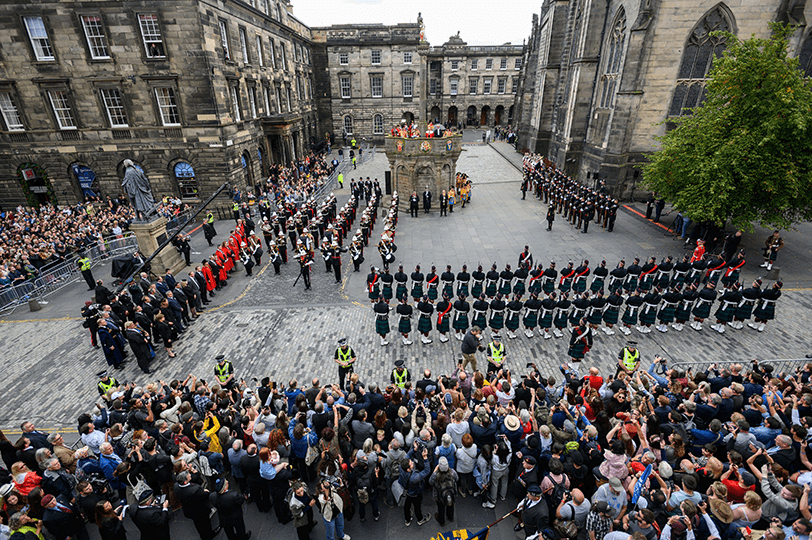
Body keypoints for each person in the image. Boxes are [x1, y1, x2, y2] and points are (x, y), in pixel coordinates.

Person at [174, 470, 220, 540]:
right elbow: (205, 495)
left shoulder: (176, 486)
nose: (190, 475)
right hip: (200, 511)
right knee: (205, 523)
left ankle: (203, 535)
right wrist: (204, 491)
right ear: (185, 482)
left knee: (198, 525)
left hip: (189, 510)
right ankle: (209, 535)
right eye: (189, 476)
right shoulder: (194, 491)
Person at [399, 454, 432, 526]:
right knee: (417, 507)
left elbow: (407, 456)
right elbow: (427, 471)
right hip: (415, 494)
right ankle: (420, 519)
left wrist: (414, 449)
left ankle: (407, 520)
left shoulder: (401, 468)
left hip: (406, 491)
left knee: (407, 506)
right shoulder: (414, 478)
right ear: (408, 469)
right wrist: (425, 458)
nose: (413, 463)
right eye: (411, 463)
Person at [429, 456, 458, 527]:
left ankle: (441, 521)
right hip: (451, 494)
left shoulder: (436, 475)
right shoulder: (452, 472)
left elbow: (430, 482)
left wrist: (434, 471)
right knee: (451, 505)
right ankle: (450, 517)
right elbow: (457, 479)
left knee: (441, 508)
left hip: (439, 496)